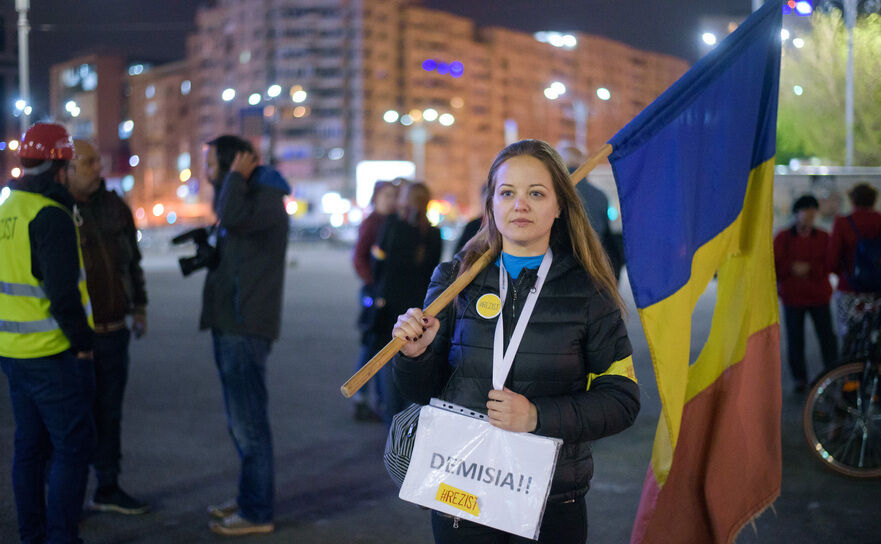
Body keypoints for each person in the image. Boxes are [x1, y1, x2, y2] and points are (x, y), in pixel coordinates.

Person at [392, 139, 640, 543]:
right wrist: (414, 356)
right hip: (462, 490)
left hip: (551, 500)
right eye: (507, 192)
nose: (519, 205)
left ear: (560, 205)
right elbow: (420, 392)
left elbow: (622, 399)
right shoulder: (454, 282)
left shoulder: (589, 292)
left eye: (536, 193)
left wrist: (537, 417)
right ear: (491, 203)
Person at [0, 123, 96, 544]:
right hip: (49, 352)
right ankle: (60, 537)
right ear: (59, 166)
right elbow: (63, 296)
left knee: (29, 449)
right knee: (73, 447)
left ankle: (32, 536)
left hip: (11, 352)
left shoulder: (6, 212)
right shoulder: (50, 215)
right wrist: (83, 344)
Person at [200, 135, 290, 536]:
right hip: (231, 321)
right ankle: (249, 497)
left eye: (210, 163)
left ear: (233, 163)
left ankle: (257, 512)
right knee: (241, 424)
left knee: (249, 423)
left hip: (244, 324)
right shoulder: (246, 197)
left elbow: (235, 219)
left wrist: (235, 178)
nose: (205, 170)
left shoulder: (265, 195)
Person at [64, 139, 150, 515]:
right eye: (88, 163)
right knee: (72, 418)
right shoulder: (56, 212)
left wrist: (141, 306)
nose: (98, 168)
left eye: (98, 161)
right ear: (66, 169)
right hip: (74, 339)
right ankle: (67, 494)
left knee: (110, 412)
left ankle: (108, 486)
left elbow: (132, 261)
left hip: (114, 331)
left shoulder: (116, 207)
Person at [371, 182, 442, 424]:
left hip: (391, 310)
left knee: (388, 365)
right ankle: (408, 427)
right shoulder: (433, 234)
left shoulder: (392, 226)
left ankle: (391, 426)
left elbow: (377, 263)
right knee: (412, 371)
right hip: (419, 314)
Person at [773, 195, 837, 392]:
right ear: (797, 212)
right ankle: (799, 378)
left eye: (812, 210)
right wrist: (792, 267)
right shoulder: (783, 237)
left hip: (819, 295)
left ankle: (832, 373)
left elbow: (830, 263)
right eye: (805, 210)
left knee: (826, 337)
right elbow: (774, 264)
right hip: (793, 297)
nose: (809, 215)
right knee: (795, 339)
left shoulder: (824, 236)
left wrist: (809, 269)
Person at [351, 180, 400, 421]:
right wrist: (373, 284)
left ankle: (381, 399)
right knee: (371, 342)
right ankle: (360, 396)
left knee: (383, 344)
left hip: (387, 292)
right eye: (387, 195)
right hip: (373, 292)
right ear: (376, 197)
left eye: (394, 195)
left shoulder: (395, 221)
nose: (391, 200)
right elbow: (359, 258)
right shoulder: (371, 223)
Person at [827, 182, 881, 357]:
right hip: (877, 291)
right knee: (875, 337)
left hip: (849, 290)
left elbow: (832, 260)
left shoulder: (843, 223)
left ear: (852, 200)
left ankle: (849, 379)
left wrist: (842, 273)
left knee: (849, 338)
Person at [558, 145, 624, 281]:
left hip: (558, 269)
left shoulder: (552, 196)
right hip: (592, 269)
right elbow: (606, 235)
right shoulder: (600, 196)